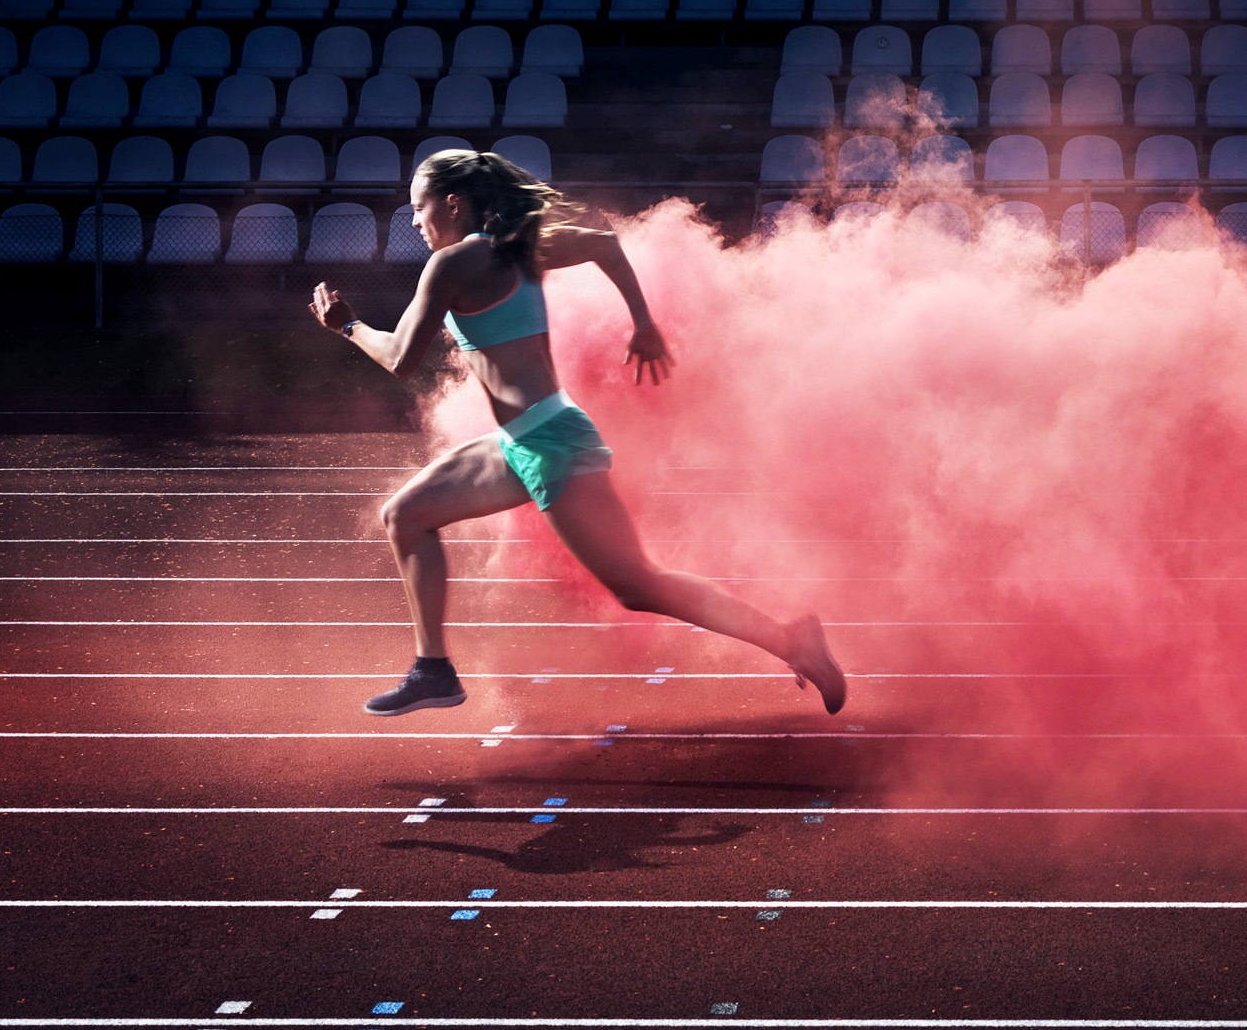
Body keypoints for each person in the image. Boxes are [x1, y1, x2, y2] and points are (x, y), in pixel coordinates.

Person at [309, 149, 846, 718]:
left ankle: (792, 639)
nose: (414, 221)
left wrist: (347, 325)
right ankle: (433, 669)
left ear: (452, 203)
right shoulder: (518, 249)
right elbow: (602, 242)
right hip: (523, 441)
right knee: (406, 516)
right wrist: (642, 322)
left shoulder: (452, 266)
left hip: (551, 444)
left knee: (638, 586)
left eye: (417, 208)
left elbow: (401, 359)